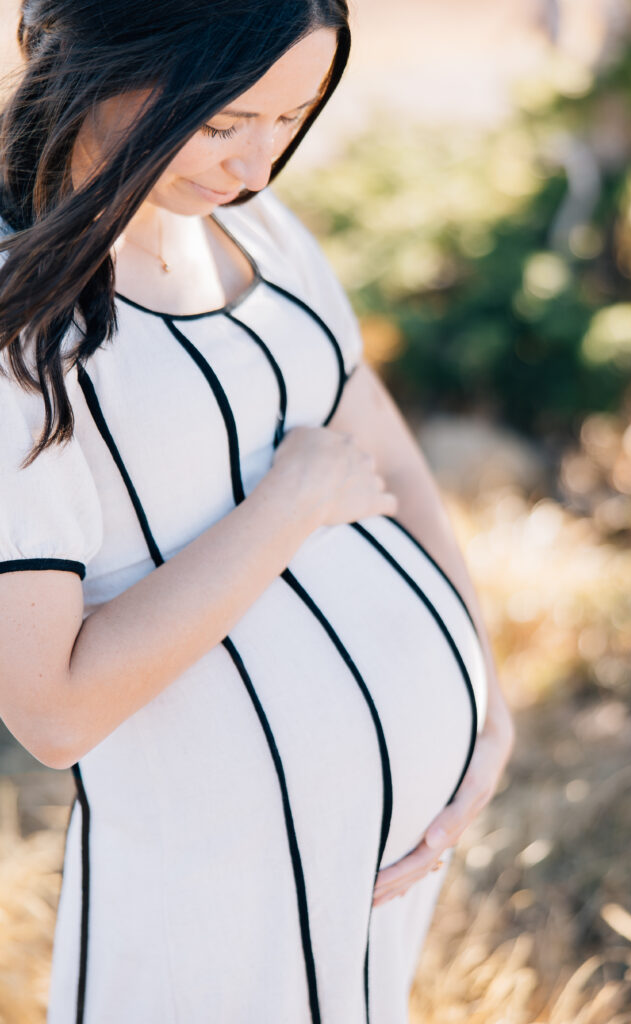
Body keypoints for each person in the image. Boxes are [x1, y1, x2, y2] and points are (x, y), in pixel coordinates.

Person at [0, 1, 515, 1021]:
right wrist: (289, 506)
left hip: (376, 871)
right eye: (226, 121)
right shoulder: (21, 326)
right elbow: (49, 710)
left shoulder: (252, 227)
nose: (258, 166)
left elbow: (367, 419)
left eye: (291, 119)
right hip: (218, 879)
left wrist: (482, 692)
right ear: (93, 60)